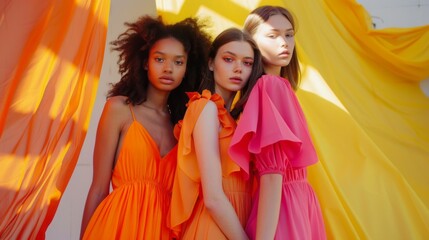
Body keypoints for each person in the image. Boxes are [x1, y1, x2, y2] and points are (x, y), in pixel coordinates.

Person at [80, 15, 211, 239]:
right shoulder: (119, 109)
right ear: (144, 62)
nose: (168, 68)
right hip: (117, 227)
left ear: (187, 68)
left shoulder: (184, 125)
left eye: (178, 62)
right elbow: (98, 188)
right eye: (159, 59)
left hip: (164, 230)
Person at [229, 5, 327, 240]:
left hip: (295, 206)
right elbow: (272, 174)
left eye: (289, 34)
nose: (284, 42)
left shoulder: (281, 88)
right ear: (251, 43)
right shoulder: (270, 86)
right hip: (285, 210)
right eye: (272, 36)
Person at [169, 28, 264, 239]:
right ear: (211, 63)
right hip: (214, 228)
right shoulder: (206, 107)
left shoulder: (238, 119)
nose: (238, 68)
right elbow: (212, 198)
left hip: (238, 223)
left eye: (247, 63)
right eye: (229, 59)